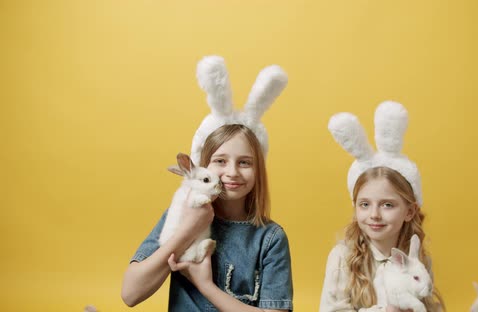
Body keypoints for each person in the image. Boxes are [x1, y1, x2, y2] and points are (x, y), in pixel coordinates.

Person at [121, 56, 293, 311]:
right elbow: (130, 293)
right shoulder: (180, 216)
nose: (232, 172)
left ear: (259, 170)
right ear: (202, 167)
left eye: (245, 162)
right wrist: (188, 230)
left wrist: (206, 286)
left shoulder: (269, 238)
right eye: (220, 161)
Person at [320, 101, 445, 312]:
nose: (374, 215)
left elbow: (427, 303)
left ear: (410, 211)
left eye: (387, 205)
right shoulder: (343, 257)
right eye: (365, 204)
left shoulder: (418, 259)